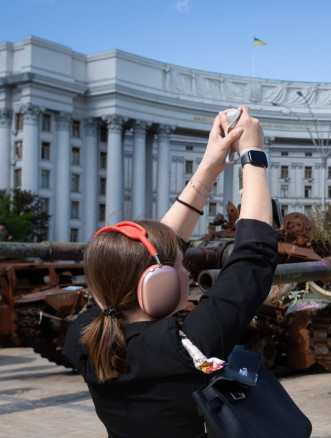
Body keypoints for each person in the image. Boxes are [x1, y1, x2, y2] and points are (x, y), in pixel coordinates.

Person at [63, 106, 277, 438]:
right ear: (156, 286)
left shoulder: (83, 337)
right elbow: (254, 256)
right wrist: (254, 154)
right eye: (178, 266)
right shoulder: (185, 349)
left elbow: (156, 248)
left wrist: (210, 166)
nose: (186, 272)